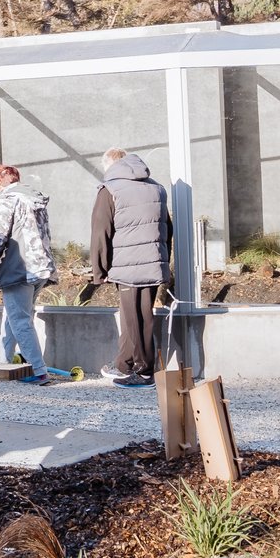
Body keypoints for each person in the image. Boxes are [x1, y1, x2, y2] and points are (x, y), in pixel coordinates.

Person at [89, 149, 171, 386]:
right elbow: (167, 227)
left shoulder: (110, 189)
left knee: (134, 317)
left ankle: (143, 371)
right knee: (137, 315)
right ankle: (124, 364)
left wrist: (99, 269)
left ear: (110, 166)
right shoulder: (156, 187)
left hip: (126, 264)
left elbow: (100, 231)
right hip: (152, 260)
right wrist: (162, 260)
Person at [0, 164, 56, 383]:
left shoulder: (7, 200)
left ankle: (37, 370)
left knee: (20, 319)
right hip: (39, 268)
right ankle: (2, 363)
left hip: (18, 268)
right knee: (14, 315)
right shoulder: (34, 200)